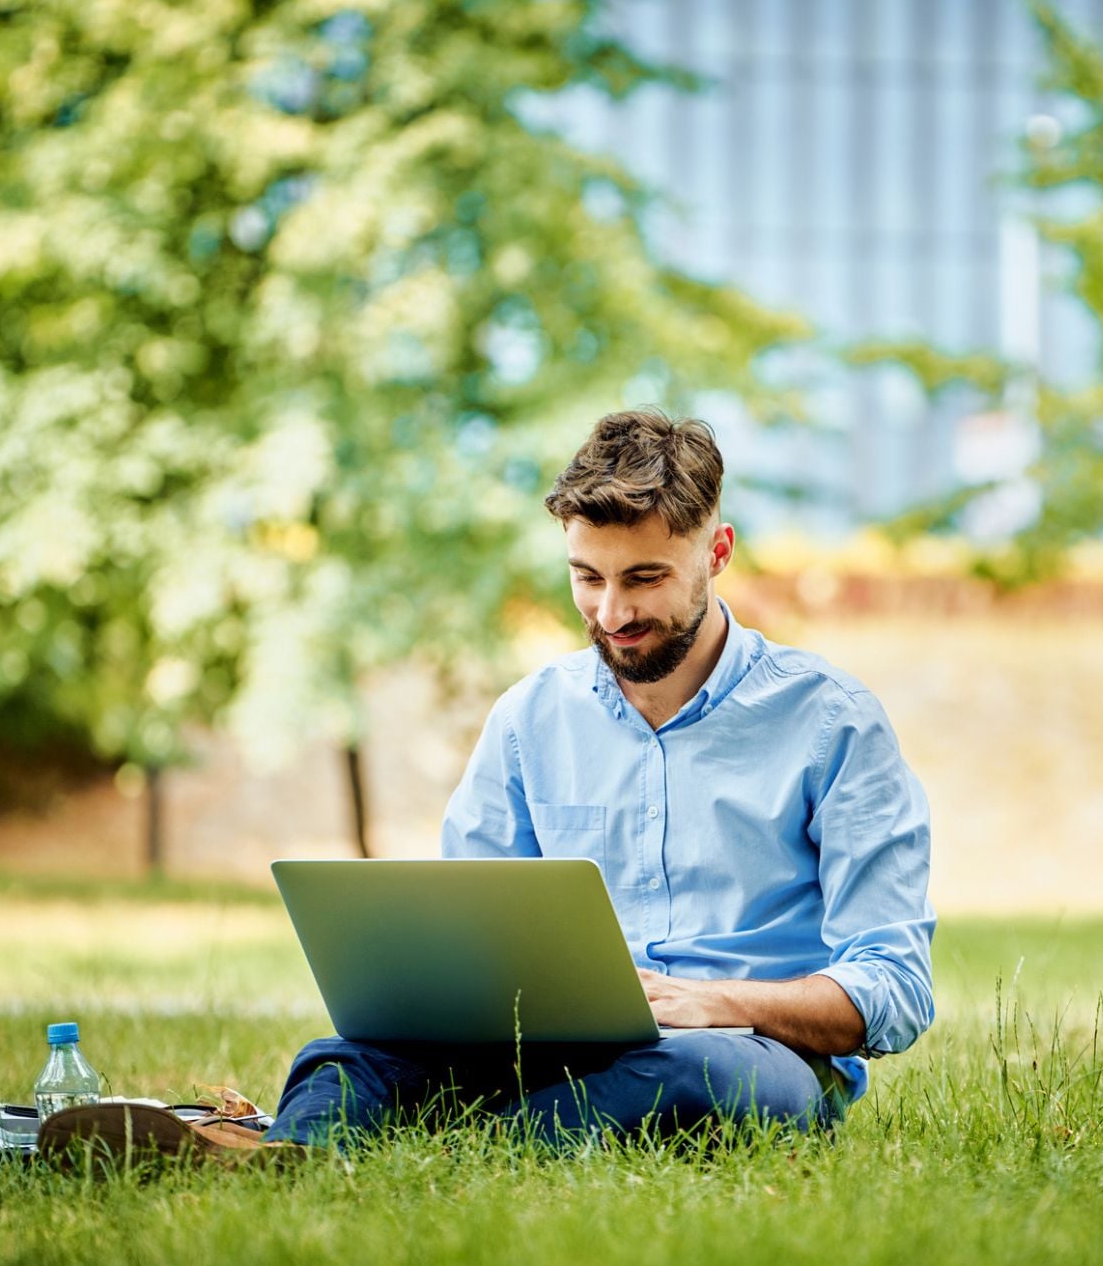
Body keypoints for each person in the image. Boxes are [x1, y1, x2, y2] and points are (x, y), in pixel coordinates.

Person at [264, 410, 936, 1149]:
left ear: (717, 551)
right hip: (552, 1051)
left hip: (746, 1055)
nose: (612, 613)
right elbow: (467, 944)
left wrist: (712, 1001)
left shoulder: (830, 721)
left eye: (645, 578)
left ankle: (468, 1152)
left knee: (694, 1079)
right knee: (343, 1058)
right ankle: (292, 1162)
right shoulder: (529, 718)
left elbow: (894, 986)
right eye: (588, 577)